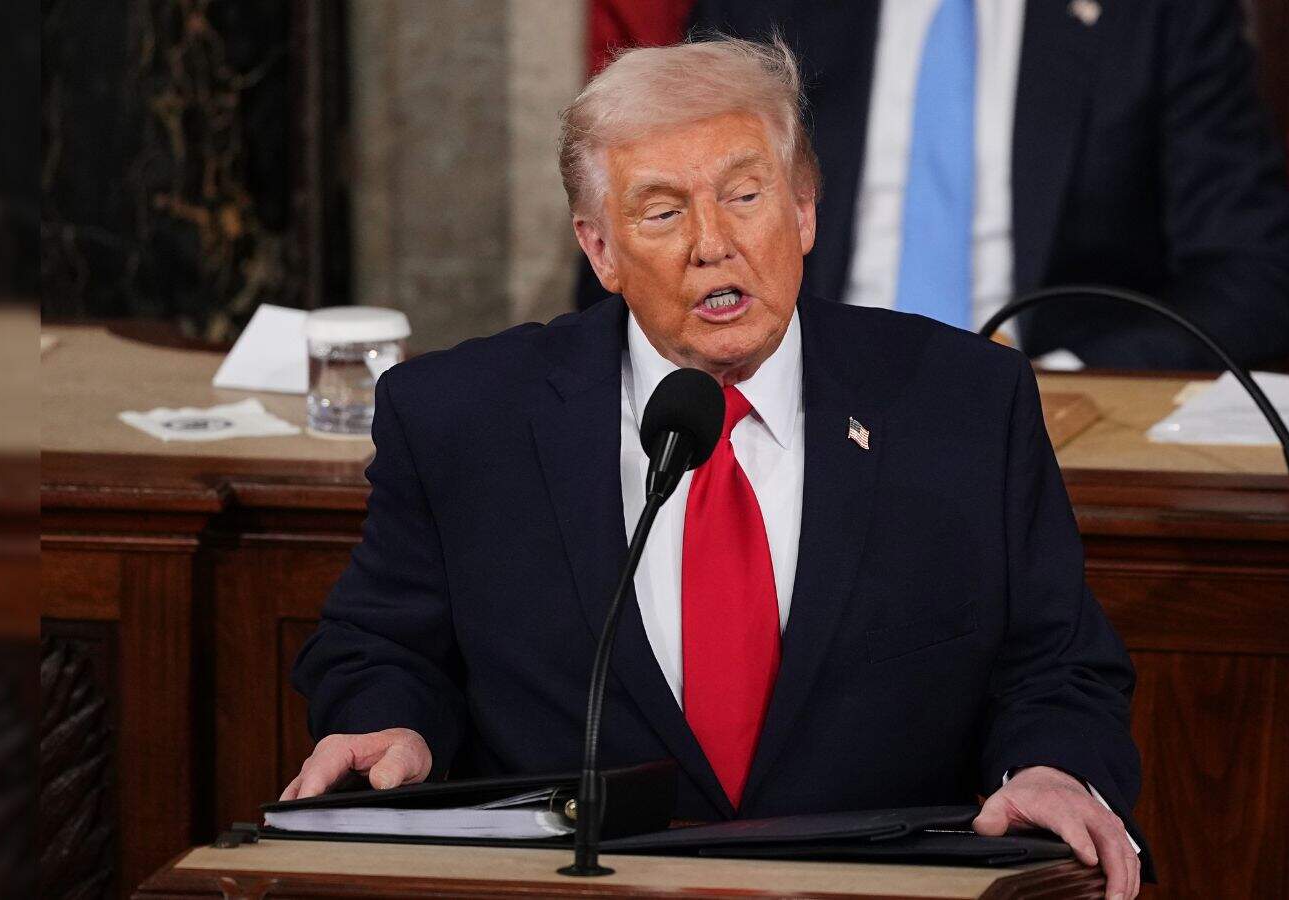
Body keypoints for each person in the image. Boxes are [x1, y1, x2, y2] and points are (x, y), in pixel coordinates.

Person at [290, 38, 1148, 896]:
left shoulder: (962, 405)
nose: (713, 244)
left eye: (745, 195)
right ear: (601, 252)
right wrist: (388, 724)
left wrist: (1049, 769)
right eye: (661, 213)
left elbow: (1057, 663)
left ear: (804, 210)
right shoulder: (464, 420)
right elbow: (382, 644)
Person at [579, 0, 1289, 371]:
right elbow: (645, 227)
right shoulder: (771, 6)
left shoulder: (1159, 16)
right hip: (794, 395)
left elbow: (1253, 281)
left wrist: (1062, 382)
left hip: (1056, 426)